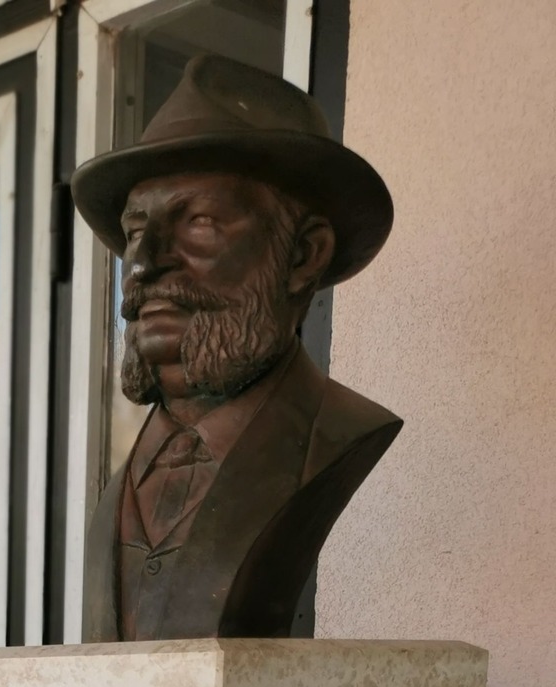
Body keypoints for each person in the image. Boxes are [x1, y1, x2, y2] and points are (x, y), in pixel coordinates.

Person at [71, 54, 400, 640]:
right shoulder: (118, 490)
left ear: (303, 256)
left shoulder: (337, 437)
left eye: (199, 222)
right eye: (136, 231)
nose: (142, 264)